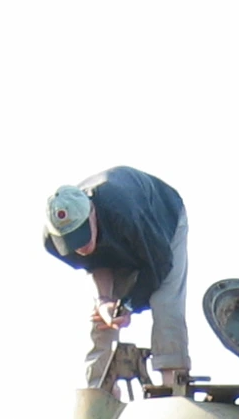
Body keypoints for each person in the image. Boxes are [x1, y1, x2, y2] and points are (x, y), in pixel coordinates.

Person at [43, 167, 189, 389]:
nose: (79, 247)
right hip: (117, 247)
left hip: (161, 230)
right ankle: (99, 394)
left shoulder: (126, 212)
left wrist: (128, 305)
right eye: (71, 240)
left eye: (81, 233)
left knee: (166, 306)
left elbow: (159, 265)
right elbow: (95, 264)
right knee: (101, 321)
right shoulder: (52, 243)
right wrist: (104, 302)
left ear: (92, 212)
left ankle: (174, 389)